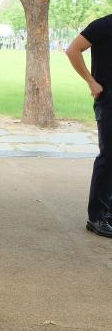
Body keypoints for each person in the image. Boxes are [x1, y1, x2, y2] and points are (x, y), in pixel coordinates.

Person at [65, 14, 112, 237]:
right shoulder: (103, 25)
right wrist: (91, 81)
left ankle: (108, 212)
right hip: (109, 99)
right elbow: (72, 49)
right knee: (109, 157)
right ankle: (96, 218)